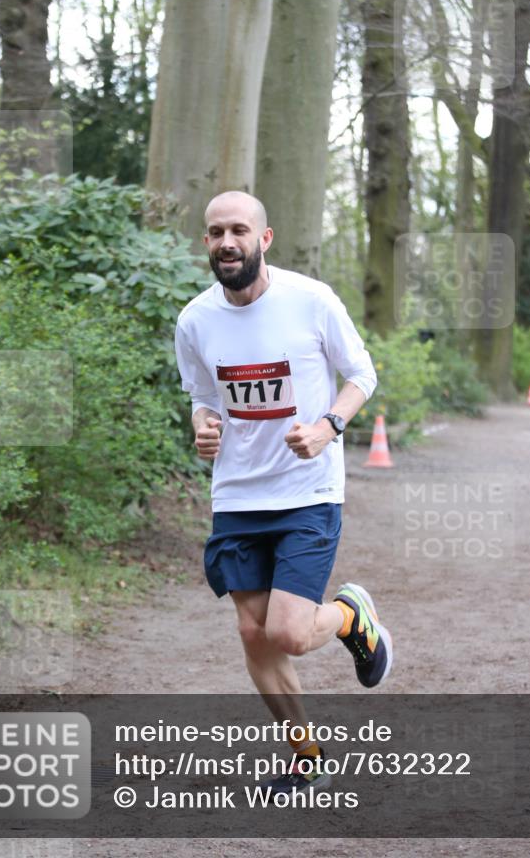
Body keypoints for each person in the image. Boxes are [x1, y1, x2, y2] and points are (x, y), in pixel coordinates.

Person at [174, 191, 393, 794]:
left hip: (308, 489)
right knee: (252, 632)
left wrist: (328, 428)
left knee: (289, 633)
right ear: (206, 242)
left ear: (264, 239)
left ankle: (350, 617)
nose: (226, 242)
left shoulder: (312, 301)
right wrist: (202, 426)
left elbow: (362, 375)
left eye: (239, 230)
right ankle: (306, 752)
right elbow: (202, 396)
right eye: (216, 232)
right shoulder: (195, 320)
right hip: (239, 495)